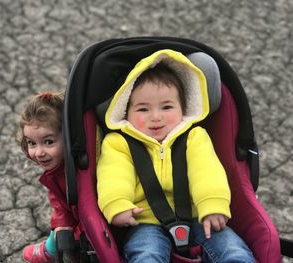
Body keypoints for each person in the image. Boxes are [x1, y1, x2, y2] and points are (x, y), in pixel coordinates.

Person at [97, 50, 255, 262]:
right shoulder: (119, 144)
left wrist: (212, 205)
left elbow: (207, 172)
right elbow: (113, 176)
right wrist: (117, 203)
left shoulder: (194, 137)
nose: (156, 117)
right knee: (146, 254)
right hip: (146, 221)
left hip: (198, 216)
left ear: (183, 108)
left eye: (167, 107)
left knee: (232, 250)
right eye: (143, 109)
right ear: (126, 111)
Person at [18, 90, 80, 263]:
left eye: (48, 142)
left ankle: (50, 251)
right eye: (31, 143)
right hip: (73, 221)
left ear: (68, 137)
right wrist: (61, 224)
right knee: (58, 230)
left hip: (88, 227)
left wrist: (72, 237)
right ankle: (50, 249)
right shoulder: (57, 169)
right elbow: (60, 203)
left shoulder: (79, 171)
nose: (38, 153)